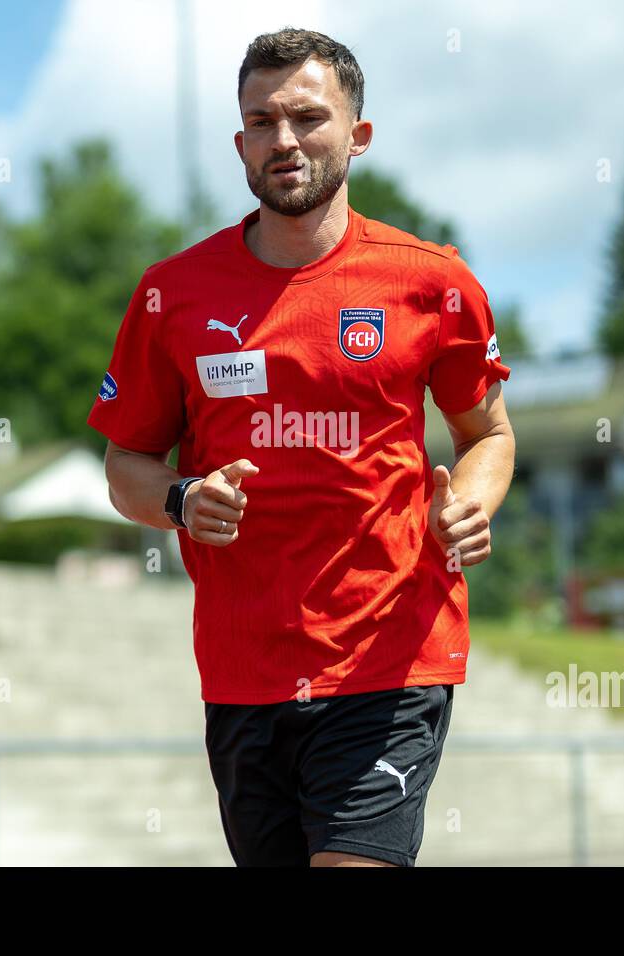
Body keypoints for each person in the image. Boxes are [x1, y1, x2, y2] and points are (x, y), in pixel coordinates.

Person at [87, 27, 515, 866]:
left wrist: (468, 505)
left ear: (358, 134)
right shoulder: (171, 295)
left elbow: (488, 436)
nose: (284, 140)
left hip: (391, 659)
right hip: (244, 675)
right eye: (261, 121)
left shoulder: (433, 281)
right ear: (240, 142)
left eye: (308, 117)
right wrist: (181, 499)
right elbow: (125, 468)